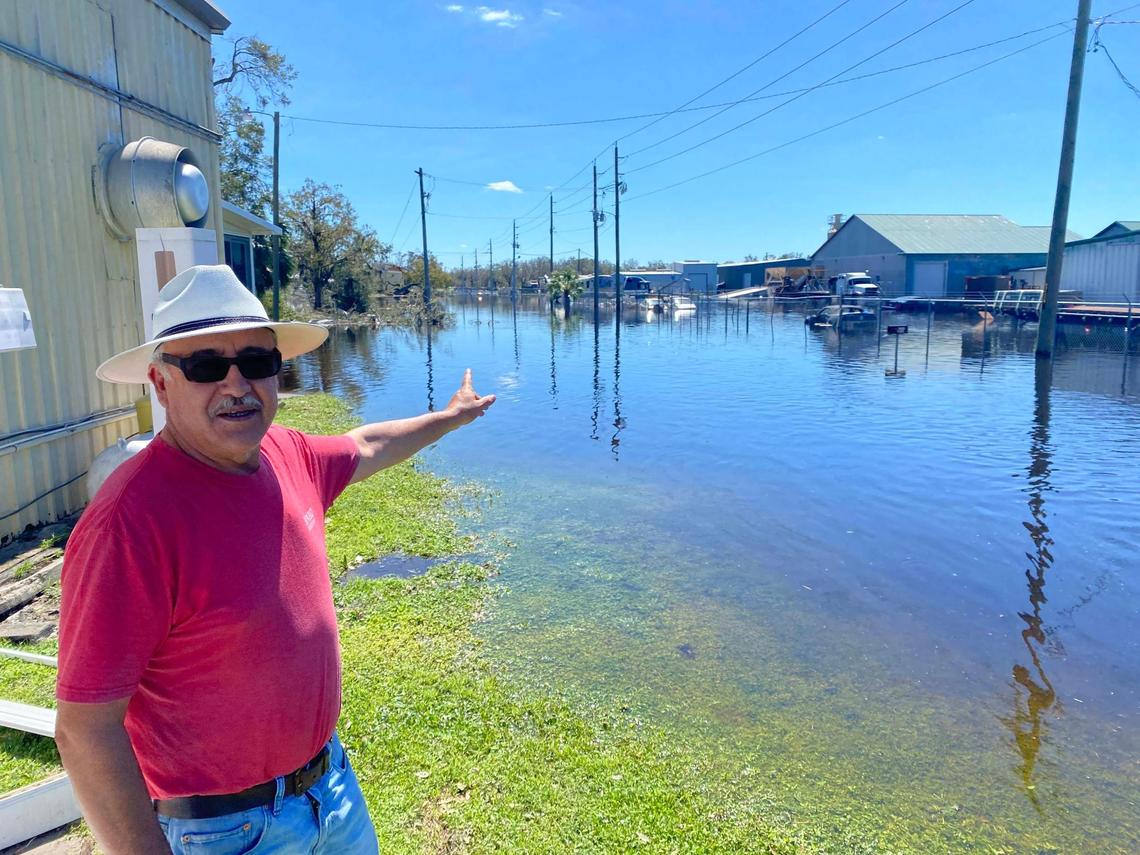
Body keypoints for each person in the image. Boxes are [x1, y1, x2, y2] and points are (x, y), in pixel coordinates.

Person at [55, 265, 495, 854]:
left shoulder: (285, 452)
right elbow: (85, 730)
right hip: (224, 831)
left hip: (330, 790)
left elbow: (366, 444)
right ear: (161, 385)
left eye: (258, 363)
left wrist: (450, 417)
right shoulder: (129, 524)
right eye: (207, 366)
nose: (238, 386)